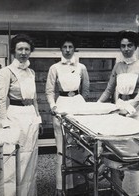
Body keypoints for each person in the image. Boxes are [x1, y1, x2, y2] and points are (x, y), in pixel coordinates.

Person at [98, 30, 139, 196]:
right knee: (118, 151)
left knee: (138, 153)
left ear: (135, 46)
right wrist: (95, 107)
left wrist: (128, 109)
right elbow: (109, 90)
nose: (126, 48)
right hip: (120, 108)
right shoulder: (118, 66)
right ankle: (118, 188)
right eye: (123, 46)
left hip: (136, 112)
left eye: (130, 45)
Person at [0, 34, 41, 196]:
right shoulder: (6, 72)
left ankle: (28, 193)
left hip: (30, 117)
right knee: (14, 158)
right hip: (14, 117)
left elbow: (35, 98)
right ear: (14, 51)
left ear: (31, 51)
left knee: (30, 157)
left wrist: (38, 120)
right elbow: (0, 101)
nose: (23, 52)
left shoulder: (31, 72)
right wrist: (5, 123)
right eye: (20, 49)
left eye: (27, 49)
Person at [45, 34, 90, 195]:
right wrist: (53, 106)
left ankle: (79, 184)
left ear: (74, 48)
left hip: (78, 106)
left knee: (80, 147)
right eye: (65, 47)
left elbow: (85, 90)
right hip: (61, 106)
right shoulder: (54, 68)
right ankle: (61, 186)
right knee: (62, 147)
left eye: (70, 47)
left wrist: (80, 104)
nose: (68, 50)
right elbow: (49, 91)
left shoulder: (81, 67)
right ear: (61, 49)